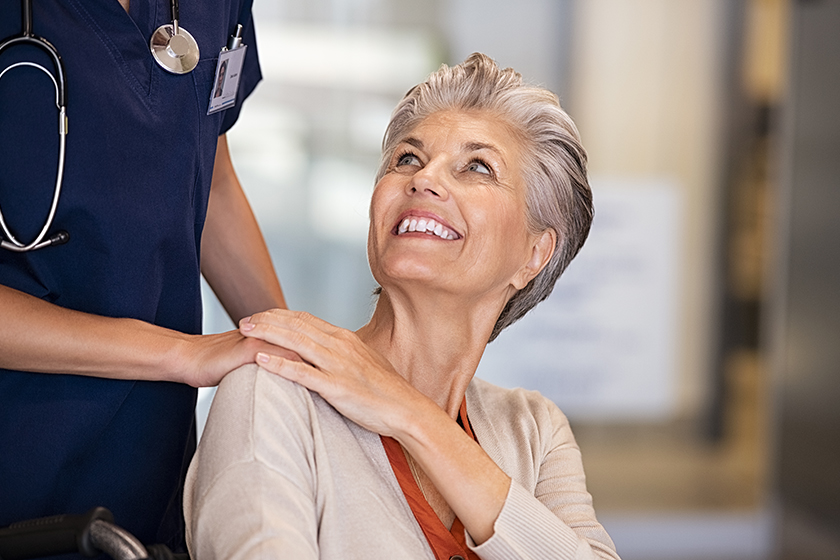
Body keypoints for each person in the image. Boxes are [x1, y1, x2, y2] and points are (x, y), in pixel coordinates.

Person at [185, 53, 621, 560]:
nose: (424, 178)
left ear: (534, 255)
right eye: (408, 159)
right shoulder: (275, 392)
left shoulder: (533, 430)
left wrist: (411, 415)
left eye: (477, 167)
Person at [0, 0, 290, 554]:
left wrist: (289, 344)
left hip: (148, 470)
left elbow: (209, 180)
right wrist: (182, 354)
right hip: (21, 462)